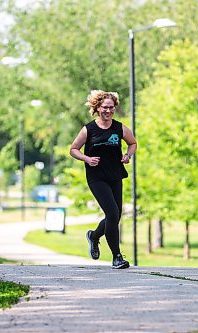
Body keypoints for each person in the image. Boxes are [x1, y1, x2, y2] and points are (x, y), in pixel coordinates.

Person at [70, 90, 137, 269]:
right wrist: (86, 159)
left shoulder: (119, 127)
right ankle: (117, 257)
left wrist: (127, 155)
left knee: (115, 216)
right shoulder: (88, 129)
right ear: (97, 108)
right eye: (105, 107)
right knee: (113, 214)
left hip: (115, 175)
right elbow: (74, 149)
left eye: (111, 108)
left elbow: (133, 143)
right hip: (97, 177)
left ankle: (94, 236)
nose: (108, 111)